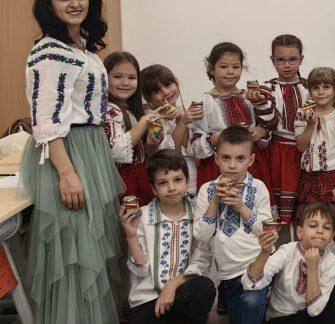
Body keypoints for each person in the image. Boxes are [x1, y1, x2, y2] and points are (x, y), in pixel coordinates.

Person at [18, 0, 125, 324]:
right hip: (68, 152)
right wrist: (67, 173)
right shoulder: (50, 52)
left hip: (89, 147)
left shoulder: (80, 48)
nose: (75, 3)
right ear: (49, 4)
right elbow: (46, 121)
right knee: (76, 252)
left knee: (95, 246)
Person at [121, 151, 216, 324]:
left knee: (203, 287)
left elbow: (202, 263)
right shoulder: (142, 217)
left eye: (177, 180)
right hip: (149, 297)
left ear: (187, 181)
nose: (172, 188)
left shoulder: (198, 216)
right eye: (163, 183)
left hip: (183, 293)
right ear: (153, 189)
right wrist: (131, 236)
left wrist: (172, 286)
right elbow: (141, 270)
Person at [193, 125, 272, 324]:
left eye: (240, 158)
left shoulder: (258, 188)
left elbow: (266, 231)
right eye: (226, 158)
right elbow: (201, 235)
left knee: (254, 303)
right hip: (229, 275)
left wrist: (241, 207)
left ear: (251, 160)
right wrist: (215, 201)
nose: (232, 165)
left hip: (257, 266)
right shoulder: (207, 190)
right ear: (216, 158)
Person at [188, 42, 270, 190]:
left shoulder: (249, 97)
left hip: (251, 164)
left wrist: (261, 131)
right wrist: (212, 139)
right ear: (211, 69)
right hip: (219, 166)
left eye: (236, 67)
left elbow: (266, 124)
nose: (230, 72)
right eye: (224, 66)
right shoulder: (204, 102)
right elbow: (195, 142)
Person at [253, 34, 309, 224]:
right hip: (276, 152)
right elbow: (268, 122)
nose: (287, 65)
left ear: (301, 59)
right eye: (281, 60)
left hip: (305, 151)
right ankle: (279, 241)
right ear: (272, 60)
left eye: (292, 59)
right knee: (278, 210)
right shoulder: (266, 89)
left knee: (305, 208)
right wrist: (259, 102)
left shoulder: (310, 86)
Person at [294, 67, 335, 244]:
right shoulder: (302, 114)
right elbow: (300, 146)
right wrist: (310, 125)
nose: (321, 92)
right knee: (309, 226)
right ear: (310, 90)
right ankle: (309, 260)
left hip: (333, 177)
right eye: (316, 88)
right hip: (310, 178)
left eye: (326, 87)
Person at [104, 51, 157, 205]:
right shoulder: (110, 110)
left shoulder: (131, 110)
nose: (125, 82)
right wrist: (144, 122)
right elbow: (117, 151)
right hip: (123, 181)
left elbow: (142, 155)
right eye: (117, 76)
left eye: (131, 78)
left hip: (141, 176)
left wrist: (153, 142)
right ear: (104, 77)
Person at [140, 63, 203, 192]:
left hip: (194, 175)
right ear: (148, 98)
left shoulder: (187, 111)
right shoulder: (153, 120)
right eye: (156, 91)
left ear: (176, 82)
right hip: (169, 179)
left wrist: (182, 118)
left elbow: (192, 148)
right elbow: (171, 154)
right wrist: (182, 121)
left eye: (168, 85)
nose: (166, 92)